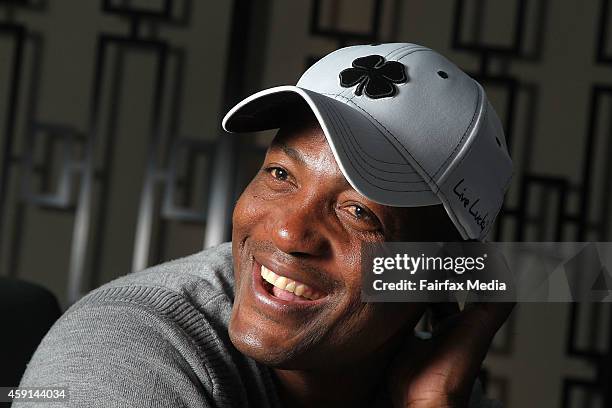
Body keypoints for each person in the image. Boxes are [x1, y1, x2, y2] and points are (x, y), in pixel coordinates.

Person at [17, 43, 513, 407]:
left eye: (360, 212)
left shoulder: (443, 387)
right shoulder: (124, 350)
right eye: (280, 174)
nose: (285, 233)